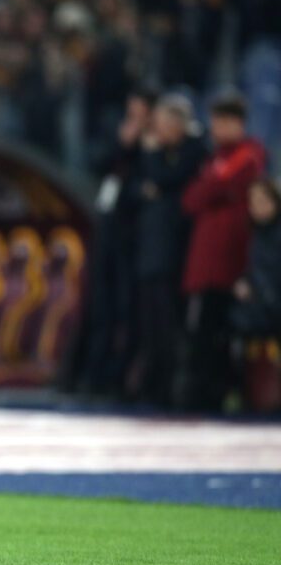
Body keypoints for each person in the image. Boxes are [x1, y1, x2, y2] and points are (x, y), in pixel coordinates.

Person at [180, 94, 267, 411]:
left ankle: (218, 395)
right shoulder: (216, 158)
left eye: (220, 122)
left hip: (229, 260)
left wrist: (211, 189)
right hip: (207, 261)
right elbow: (191, 200)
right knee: (202, 332)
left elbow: (206, 192)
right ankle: (204, 394)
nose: (214, 128)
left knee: (218, 335)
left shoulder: (246, 156)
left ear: (236, 123)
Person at [127, 95, 205, 406]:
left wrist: (153, 158)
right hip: (150, 251)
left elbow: (163, 179)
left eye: (163, 124)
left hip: (174, 252)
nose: (157, 131)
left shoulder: (193, 150)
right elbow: (135, 189)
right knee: (150, 325)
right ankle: (153, 386)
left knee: (170, 325)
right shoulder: (162, 153)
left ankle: (172, 390)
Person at [79, 87, 156, 397]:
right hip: (109, 229)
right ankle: (93, 375)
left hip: (135, 236)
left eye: (140, 111)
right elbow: (96, 162)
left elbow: (149, 185)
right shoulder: (118, 131)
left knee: (128, 308)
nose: (134, 117)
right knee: (100, 304)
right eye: (131, 110)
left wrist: (142, 148)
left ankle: (121, 378)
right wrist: (122, 145)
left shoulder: (155, 143)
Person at [230, 178, 281, 338]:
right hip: (261, 309)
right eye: (253, 202)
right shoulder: (256, 235)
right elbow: (255, 268)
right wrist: (245, 282)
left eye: (263, 200)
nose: (258, 207)